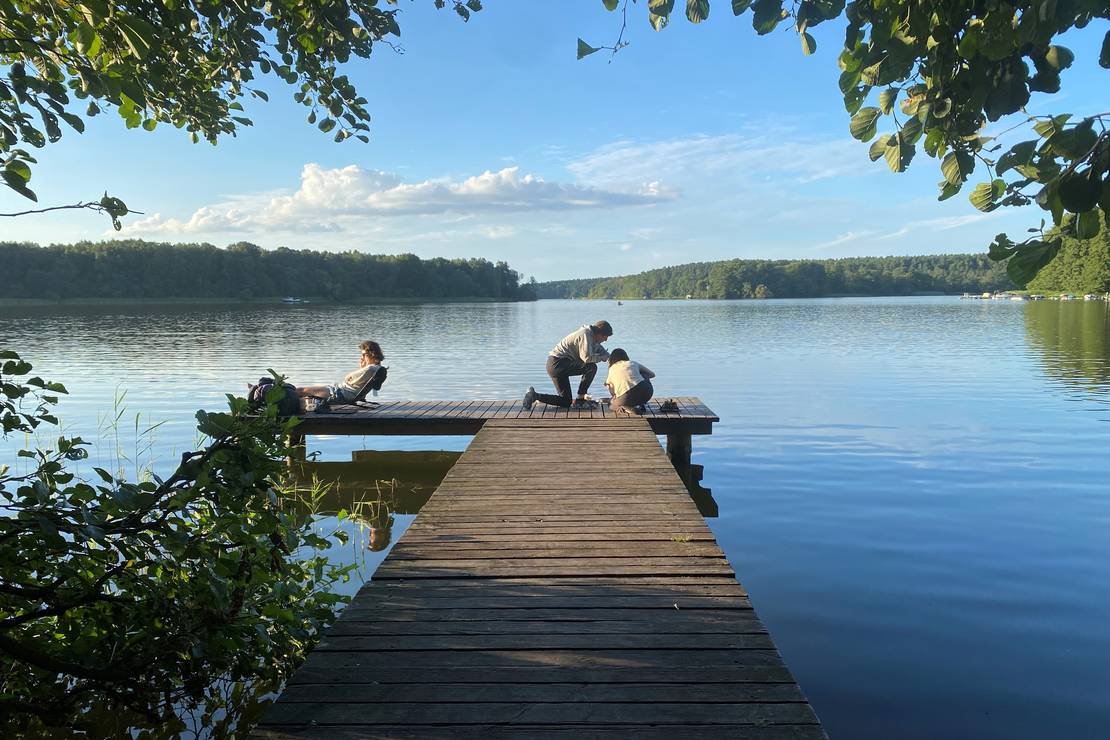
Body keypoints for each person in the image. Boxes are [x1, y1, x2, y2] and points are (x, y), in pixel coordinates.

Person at [523, 320, 613, 410]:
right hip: (557, 363)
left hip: (555, 364)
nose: (606, 340)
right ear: (600, 333)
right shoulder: (585, 335)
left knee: (566, 401)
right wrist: (601, 358)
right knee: (591, 367)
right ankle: (580, 399)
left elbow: (598, 348)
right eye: (606, 337)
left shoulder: (591, 336)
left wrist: (610, 357)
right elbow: (586, 358)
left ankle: (534, 395)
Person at [295, 340, 384, 403]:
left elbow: (348, 378)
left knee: (301, 390)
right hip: (344, 392)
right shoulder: (377, 368)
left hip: (339, 393)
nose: (362, 357)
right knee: (306, 395)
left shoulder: (370, 369)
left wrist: (361, 368)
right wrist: (362, 368)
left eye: (363, 355)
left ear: (371, 354)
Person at [604, 348, 655, 415]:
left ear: (612, 359)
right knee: (644, 374)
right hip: (647, 393)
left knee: (610, 404)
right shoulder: (633, 363)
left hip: (627, 397)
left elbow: (612, 391)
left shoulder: (612, 369)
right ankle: (640, 404)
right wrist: (637, 374)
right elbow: (652, 374)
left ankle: (625, 407)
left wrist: (615, 398)